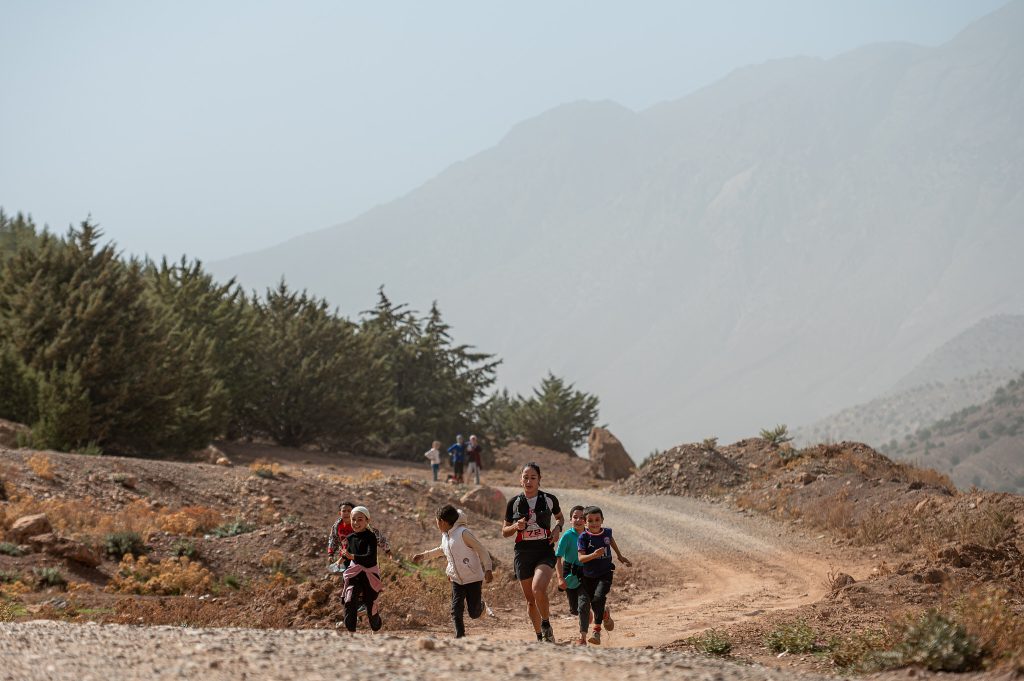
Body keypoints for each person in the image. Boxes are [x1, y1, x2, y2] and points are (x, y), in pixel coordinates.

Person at [502, 462, 564, 643]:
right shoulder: (513, 503)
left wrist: (557, 529)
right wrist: (516, 526)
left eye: (533, 478)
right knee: (530, 601)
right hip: (523, 553)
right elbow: (504, 532)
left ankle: (546, 625)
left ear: (539, 480)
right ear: (520, 480)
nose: (529, 481)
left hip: (544, 550)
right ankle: (539, 637)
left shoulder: (549, 499)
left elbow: (560, 518)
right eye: (526, 477)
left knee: (538, 589)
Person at [412, 504, 494, 638]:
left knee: (474, 613)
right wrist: (423, 555)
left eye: (436, 521)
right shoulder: (445, 535)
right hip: (456, 579)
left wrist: (488, 569)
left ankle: (481, 607)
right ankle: (460, 637)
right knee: (456, 609)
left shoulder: (463, 533)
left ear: (442, 521)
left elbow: (482, 550)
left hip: (473, 578)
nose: (436, 524)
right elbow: (441, 550)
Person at [576, 505, 631, 645]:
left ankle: (596, 630)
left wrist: (619, 556)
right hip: (589, 576)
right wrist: (594, 555)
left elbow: (610, 539)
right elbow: (581, 558)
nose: (594, 523)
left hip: (605, 573)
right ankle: (605, 614)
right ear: (585, 522)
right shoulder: (583, 537)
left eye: (597, 520)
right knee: (595, 602)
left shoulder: (606, 532)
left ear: (602, 520)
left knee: (598, 598)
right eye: (590, 520)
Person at [340, 505, 383, 632]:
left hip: (369, 575)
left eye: (360, 520)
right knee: (349, 599)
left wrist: (352, 556)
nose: (356, 523)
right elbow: (347, 556)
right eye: (353, 519)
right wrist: (341, 559)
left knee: (370, 605)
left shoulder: (371, 537)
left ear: (367, 521)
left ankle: (376, 626)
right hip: (355, 574)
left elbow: (370, 557)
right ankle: (351, 632)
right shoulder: (350, 538)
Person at [555, 505, 586, 618]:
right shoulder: (567, 536)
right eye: (575, 517)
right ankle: (590, 616)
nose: (578, 520)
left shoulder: (590, 535)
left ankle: (592, 624)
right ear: (570, 520)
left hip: (587, 572)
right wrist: (560, 578)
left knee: (585, 603)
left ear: (586, 520)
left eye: (582, 517)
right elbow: (558, 558)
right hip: (570, 573)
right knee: (575, 610)